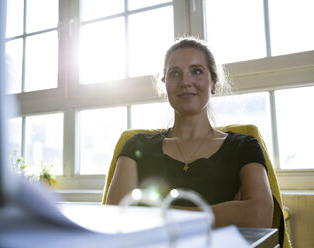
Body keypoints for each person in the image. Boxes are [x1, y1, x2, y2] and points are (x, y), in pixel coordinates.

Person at [105, 37, 273, 228]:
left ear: (213, 83)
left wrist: (152, 214)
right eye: (175, 73)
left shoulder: (244, 147)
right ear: (165, 84)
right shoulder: (136, 145)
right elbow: (117, 217)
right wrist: (226, 212)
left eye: (197, 71)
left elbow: (260, 216)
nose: (185, 81)